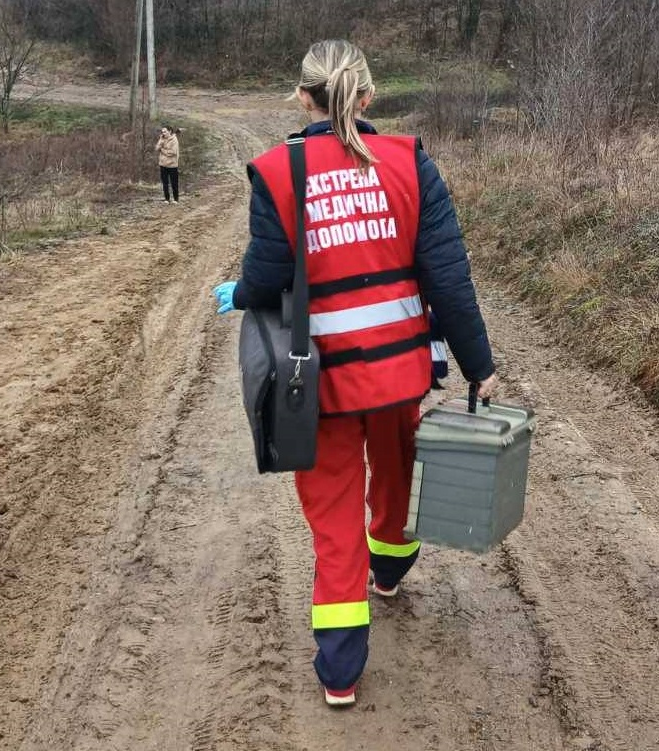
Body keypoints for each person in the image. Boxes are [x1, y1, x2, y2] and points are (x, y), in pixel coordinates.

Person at [211, 39, 497, 708]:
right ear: (368, 98)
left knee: (332, 518)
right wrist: (478, 366)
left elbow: (267, 275)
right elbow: (447, 279)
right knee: (394, 478)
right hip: (397, 374)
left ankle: (340, 670)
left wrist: (242, 293)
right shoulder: (408, 162)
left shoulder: (280, 171)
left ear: (303, 99)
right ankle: (391, 569)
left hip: (319, 385)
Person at [154, 126, 180, 202]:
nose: (163, 133)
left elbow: (172, 153)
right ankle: (167, 199)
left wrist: (162, 150)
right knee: (165, 183)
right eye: (162, 132)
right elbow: (156, 148)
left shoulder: (174, 140)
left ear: (170, 131)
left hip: (172, 165)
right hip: (163, 164)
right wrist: (161, 140)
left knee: (174, 183)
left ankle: (176, 199)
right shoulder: (162, 138)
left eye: (165, 132)